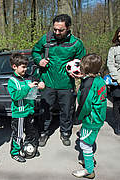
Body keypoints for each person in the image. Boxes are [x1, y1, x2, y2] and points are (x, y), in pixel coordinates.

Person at [31, 14, 86, 147]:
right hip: (47, 82)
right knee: (45, 110)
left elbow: (83, 63)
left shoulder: (76, 43)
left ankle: (65, 133)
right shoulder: (46, 39)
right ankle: (43, 133)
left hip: (66, 84)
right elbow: (35, 52)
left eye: (60, 30)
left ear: (68, 28)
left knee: (66, 111)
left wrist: (79, 74)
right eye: (55, 29)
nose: (56, 32)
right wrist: (40, 60)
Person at [72, 54, 107, 179]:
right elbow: (90, 87)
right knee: (89, 140)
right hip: (99, 117)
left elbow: (85, 104)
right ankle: (89, 161)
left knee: (85, 144)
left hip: (91, 119)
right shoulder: (98, 80)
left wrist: (77, 117)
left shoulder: (88, 84)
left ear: (85, 67)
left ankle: (89, 170)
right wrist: (81, 79)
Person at [7, 53, 45, 163]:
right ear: (15, 67)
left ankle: (29, 149)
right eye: (23, 67)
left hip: (29, 111)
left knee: (31, 132)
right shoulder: (12, 81)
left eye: (26, 66)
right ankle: (14, 152)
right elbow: (15, 96)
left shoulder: (28, 77)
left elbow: (37, 84)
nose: (26, 69)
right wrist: (27, 88)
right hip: (19, 114)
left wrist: (41, 85)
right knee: (18, 135)